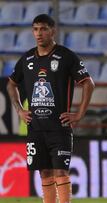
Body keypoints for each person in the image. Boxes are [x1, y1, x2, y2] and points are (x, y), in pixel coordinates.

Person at [7, 14, 95, 203]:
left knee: (61, 172)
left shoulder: (66, 56)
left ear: (52, 31)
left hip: (59, 128)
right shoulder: (27, 58)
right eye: (36, 29)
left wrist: (79, 113)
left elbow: (88, 83)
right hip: (36, 128)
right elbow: (10, 84)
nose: (39, 33)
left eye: (43, 29)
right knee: (44, 173)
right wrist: (19, 110)